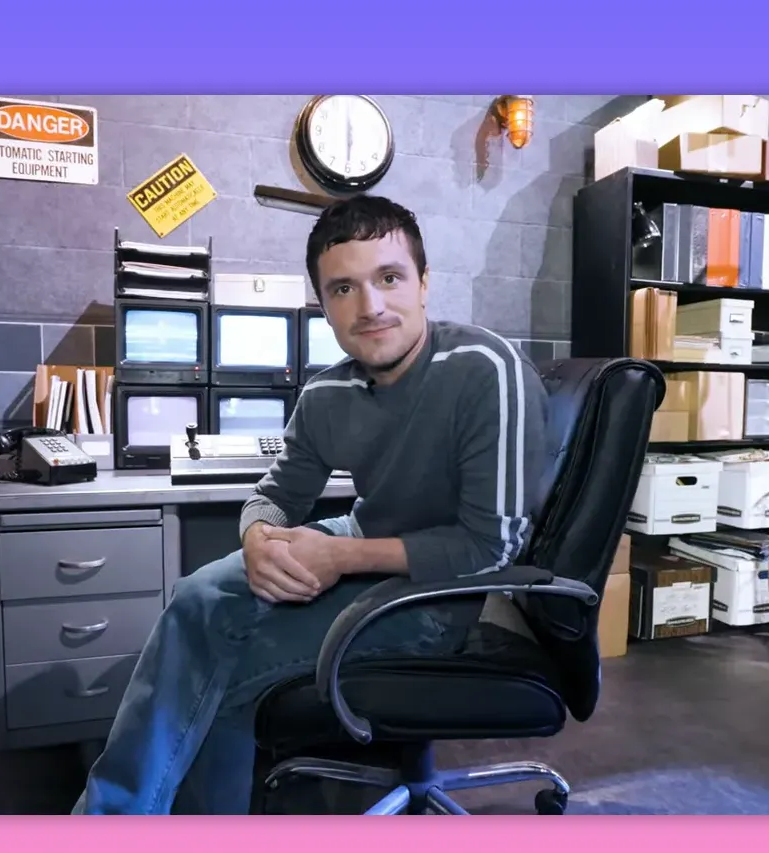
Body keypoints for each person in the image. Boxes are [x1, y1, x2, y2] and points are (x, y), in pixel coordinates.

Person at [75, 194, 548, 814]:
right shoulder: (329, 392)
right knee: (195, 596)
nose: (371, 306)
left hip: (444, 596)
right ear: (323, 306)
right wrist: (256, 539)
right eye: (343, 289)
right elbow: (274, 497)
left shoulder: (485, 369)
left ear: (425, 284)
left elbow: (491, 549)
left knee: (220, 670)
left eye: (389, 278)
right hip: (367, 548)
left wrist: (339, 556)